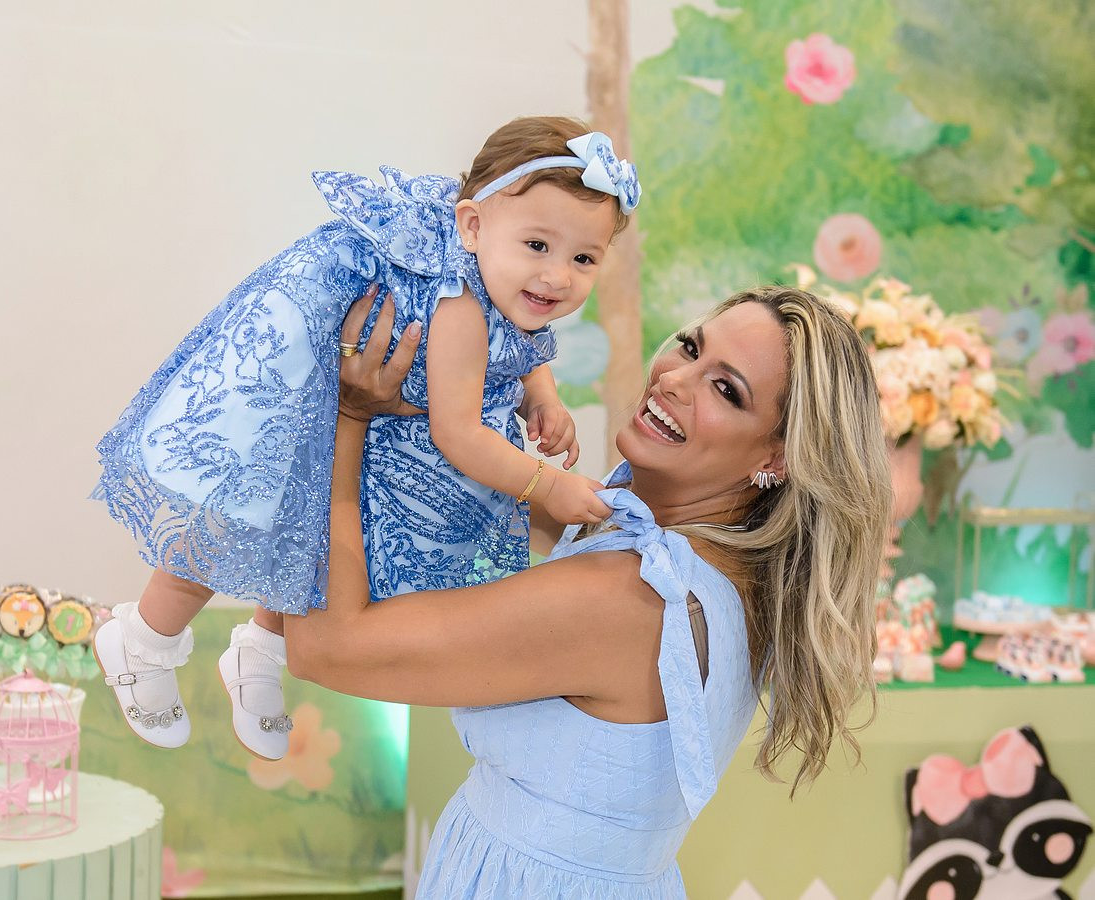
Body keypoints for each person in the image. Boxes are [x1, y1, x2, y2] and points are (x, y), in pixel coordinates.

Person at [286, 285, 892, 897]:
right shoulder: (732, 572)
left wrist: (345, 419)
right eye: (690, 347)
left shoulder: (627, 598)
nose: (675, 380)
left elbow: (324, 647)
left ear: (778, 458)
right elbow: (494, 504)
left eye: (726, 390)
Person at [90, 116, 639, 757]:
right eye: (538, 246)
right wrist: (547, 484)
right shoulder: (460, 306)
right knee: (239, 519)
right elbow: (459, 435)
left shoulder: (501, 273)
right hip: (302, 384)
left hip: (366, 402)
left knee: (326, 538)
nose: (557, 277)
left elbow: (522, 335)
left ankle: (258, 655)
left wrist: (542, 394)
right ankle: (143, 639)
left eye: (583, 258)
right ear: (472, 227)